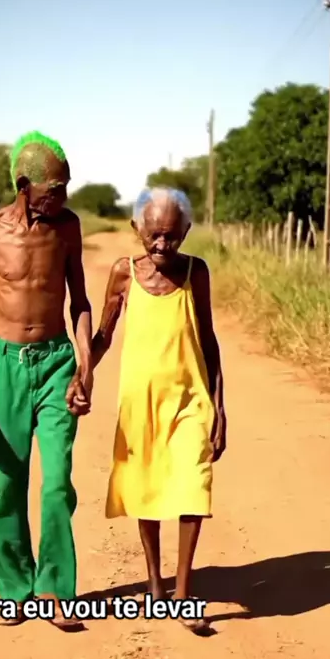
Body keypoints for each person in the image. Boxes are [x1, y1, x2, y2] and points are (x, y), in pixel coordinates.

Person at [0, 131, 93, 630]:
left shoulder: (67, 228)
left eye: (66, 187)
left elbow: (80, 303)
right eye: (56, 189)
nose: (64, 197)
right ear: (25, 186)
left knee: (57, 481)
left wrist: (85, 367)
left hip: (56, 363)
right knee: (4, 486)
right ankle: (14, 590)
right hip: (3, 364)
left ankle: (55, 589)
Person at [88, 186, 226, 633]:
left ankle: (183, 595)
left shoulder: (195, 272)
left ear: (186, 231)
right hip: (140, 403)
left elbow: (208, 339)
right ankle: (154, 584)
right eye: (154, 235)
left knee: (193, 486)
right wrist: (81, 373)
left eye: (172, 235)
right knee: (146, 488)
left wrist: (220, 406)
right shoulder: (124, 273)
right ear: (137, 229)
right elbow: (104, 335)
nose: (162, 244)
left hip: (190, 400)